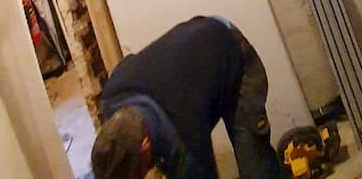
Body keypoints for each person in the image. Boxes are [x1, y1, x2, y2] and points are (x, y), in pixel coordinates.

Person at [91, 15, 280, 179]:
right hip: (197, 60)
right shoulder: (110, 99)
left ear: (145, 146)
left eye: (141, 173)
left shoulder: (183, 141)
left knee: (256, 167)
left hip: (232, 52)